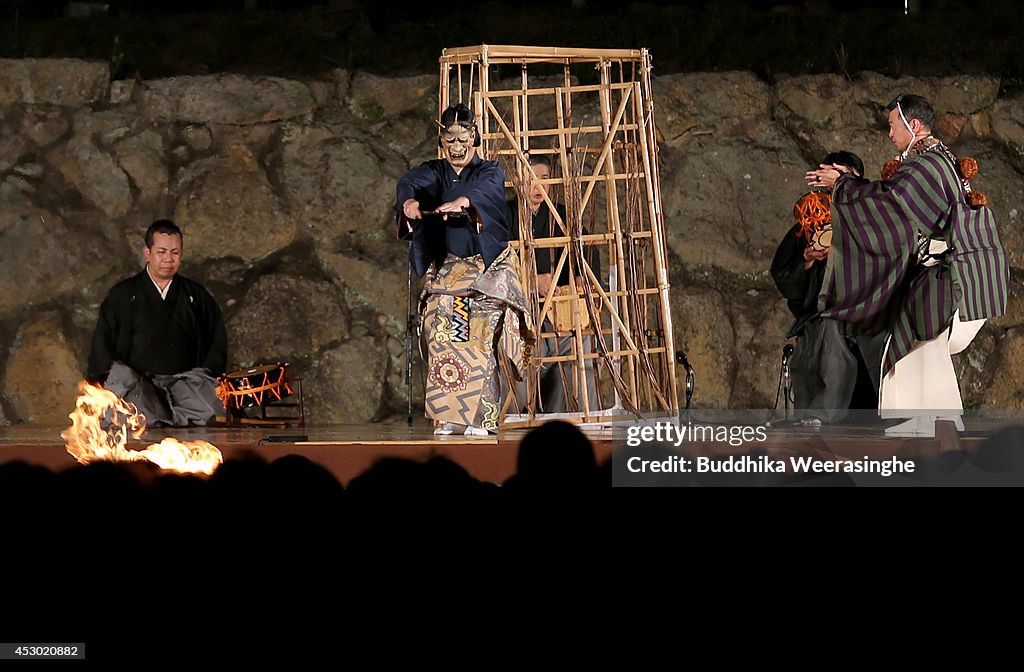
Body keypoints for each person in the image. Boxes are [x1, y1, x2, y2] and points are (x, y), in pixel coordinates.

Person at [806, 94, 1008, 437]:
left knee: (917, 335)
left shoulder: (928, 163)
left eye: (892, 125)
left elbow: (887, 203)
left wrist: (841, 185)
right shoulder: (934, 160)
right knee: (913, 343)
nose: (889, 134)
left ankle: (928, 428)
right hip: (952, 271)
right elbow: (894, 202)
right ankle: (924, 425)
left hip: (947, 274)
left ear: (913, 124)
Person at [396, 103, 531, 437]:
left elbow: (484, 191)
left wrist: (464, 202)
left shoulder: (490, 171)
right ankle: (453, 416)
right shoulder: (436, 171)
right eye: (449, 140)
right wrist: (408, 202)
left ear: (474, 138)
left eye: (463, 140)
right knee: (442, 336)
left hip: (488, 271)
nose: (456, 148)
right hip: (451, 272)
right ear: (442, 139)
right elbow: (409, 181)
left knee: (480, 341)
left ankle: (482, 420)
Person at [771, 151, 884, 425]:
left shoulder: (872, 219)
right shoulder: (808, 224)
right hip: (823, 319)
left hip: (866, 315)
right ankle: (816, 420)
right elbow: (786, 279)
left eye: (841, 178)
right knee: (826, 337)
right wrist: (808, 260)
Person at [87, 219, 228, 427]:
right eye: (161, 252)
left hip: (184, 385)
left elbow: (216, 339)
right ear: (147, 253)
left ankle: (170, 416)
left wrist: (204, 372)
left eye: (175, 253)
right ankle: (159, 417)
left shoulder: (195, 296)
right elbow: (103, 344)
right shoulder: (123, 295)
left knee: (210, 404)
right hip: (139, 387)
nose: (168, 259)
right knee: (130, 408)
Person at [506, 154, 602, 414]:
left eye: (545, 179)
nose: (538, 186)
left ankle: (572, 415)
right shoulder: (504, 215)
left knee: (582, 351)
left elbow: (584, 253)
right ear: (518, 182)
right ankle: (516, 417)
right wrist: (529, 281)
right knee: (519, 354)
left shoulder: (562, 215)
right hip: (519, 309)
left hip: (558, 308)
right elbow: (495, 265)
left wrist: (581, 277)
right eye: (531, 179)